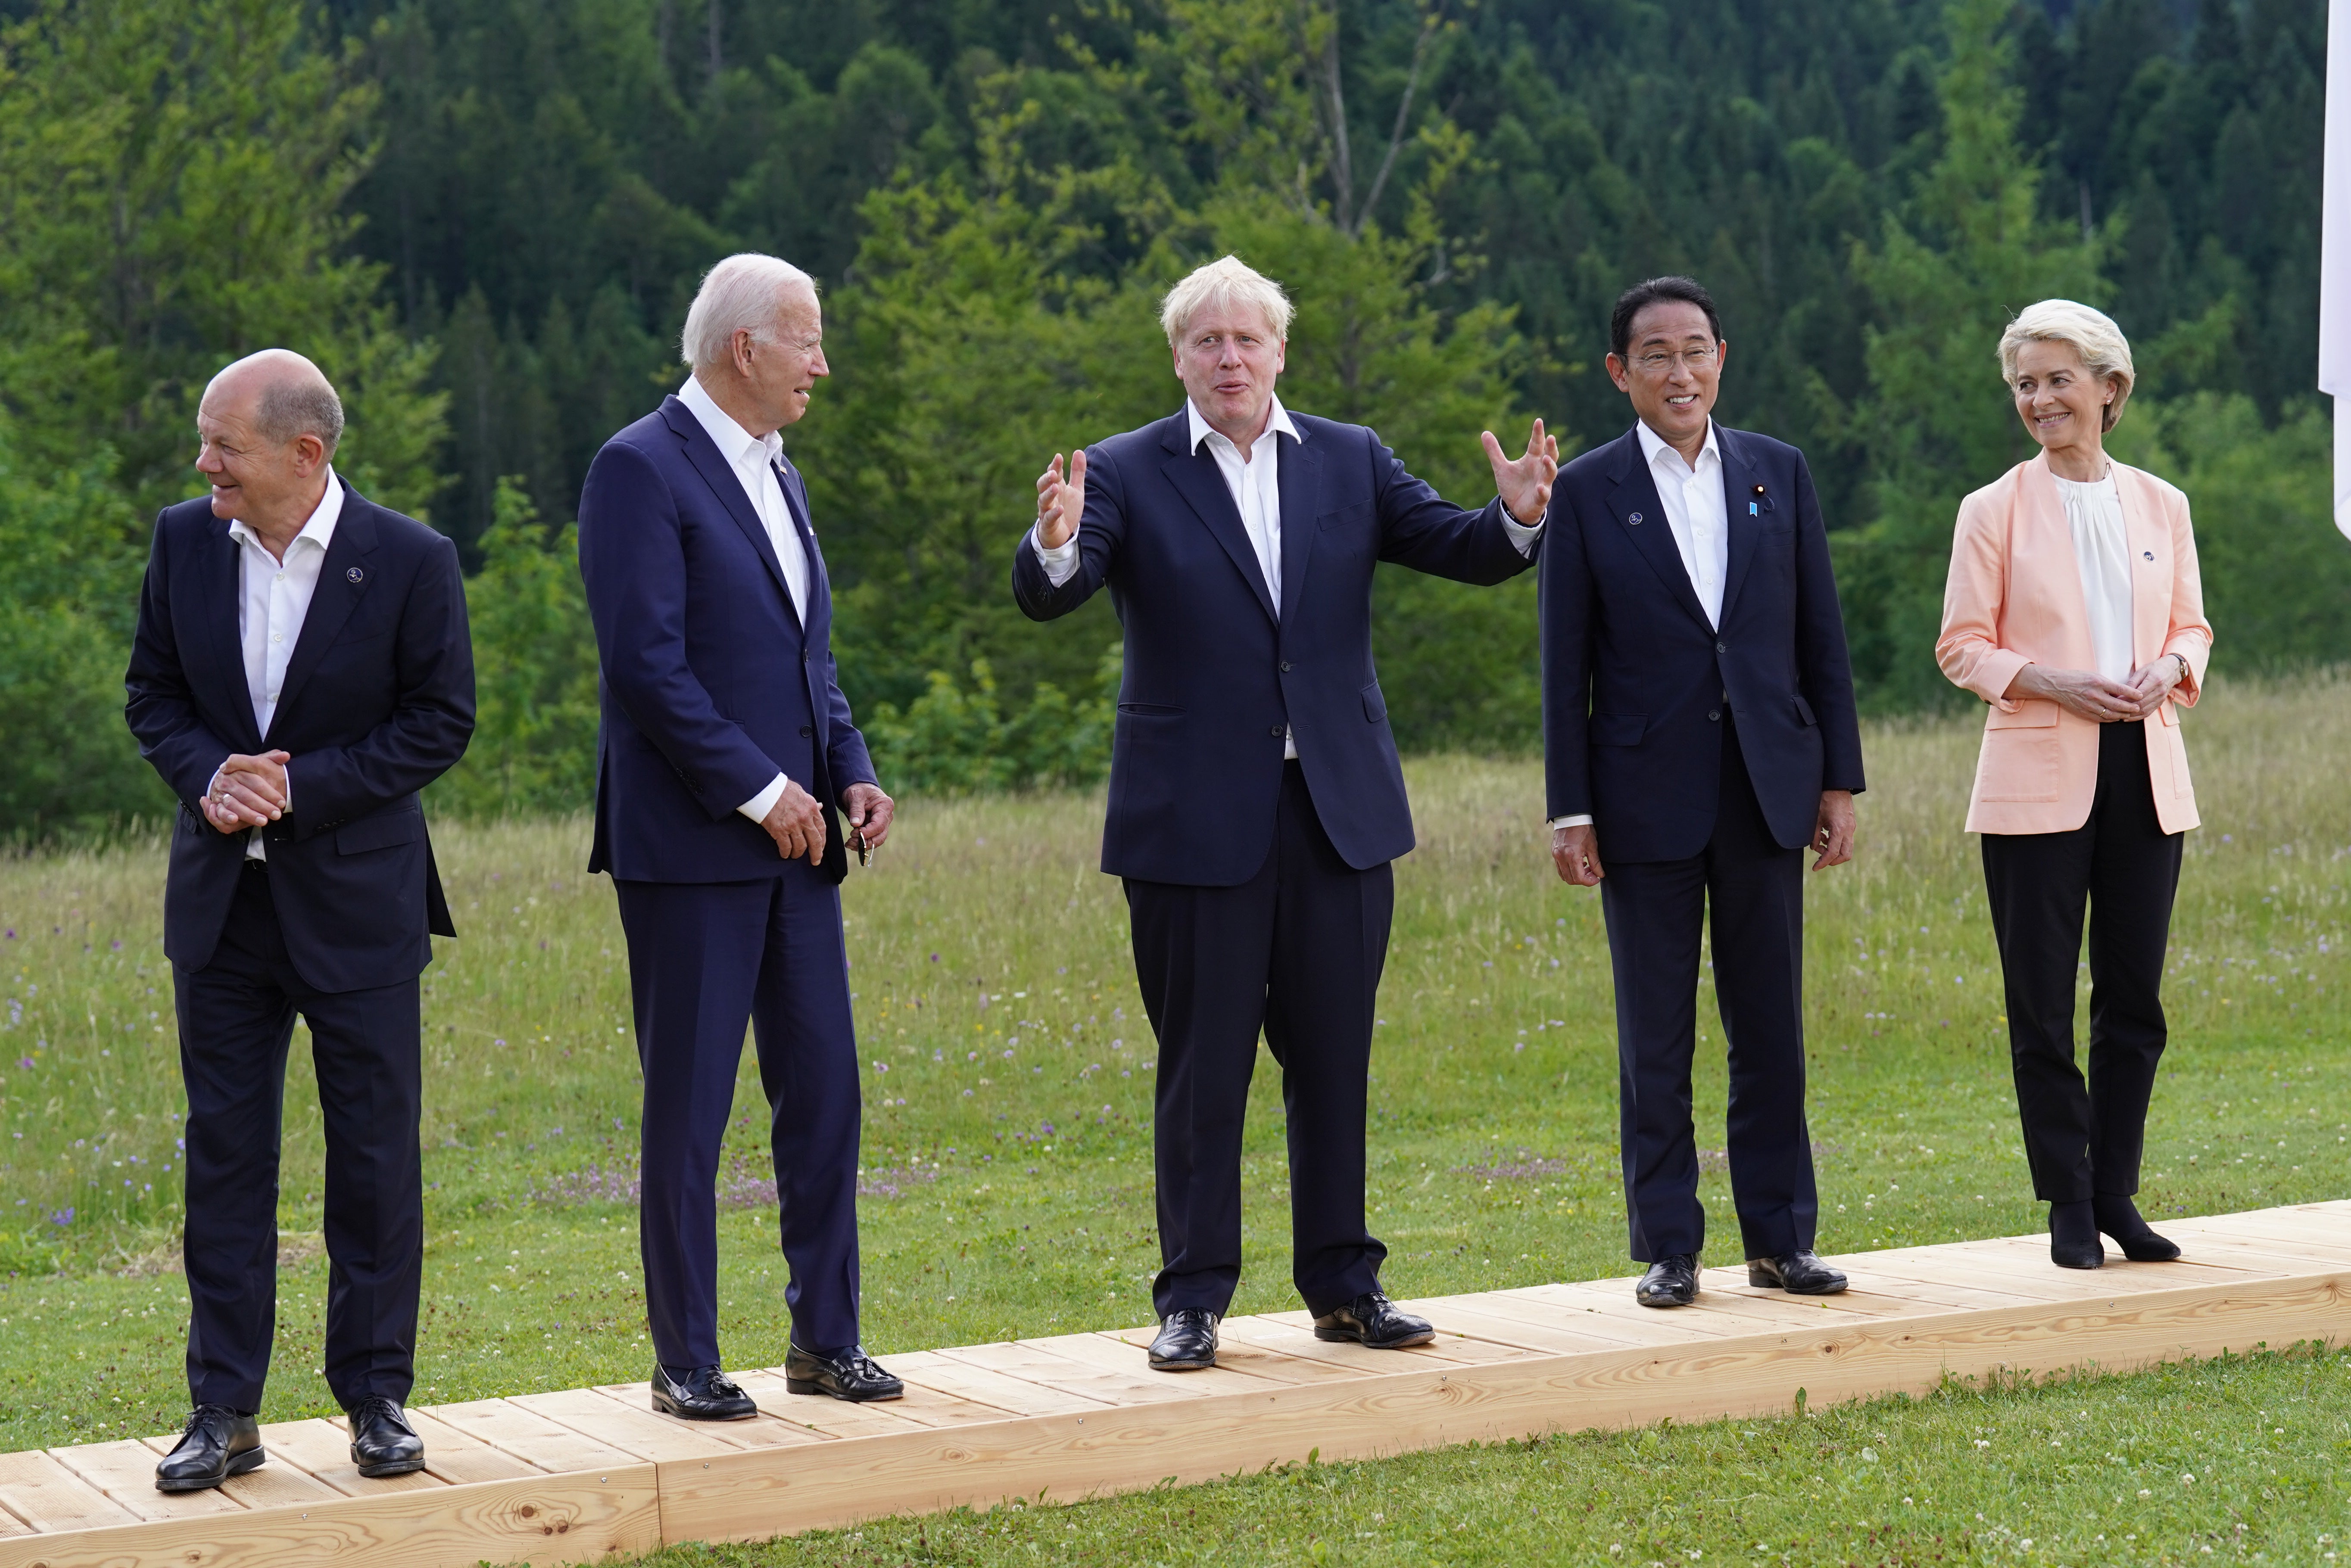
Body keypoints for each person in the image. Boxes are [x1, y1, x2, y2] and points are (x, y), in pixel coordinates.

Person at [1015, 255, 1558, 1372]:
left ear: (1279, 352)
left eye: (1247, 339)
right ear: (1178, 357)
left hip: (1336, 815)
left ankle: (1345, 1287)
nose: (1228, 358)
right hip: (1193, 826)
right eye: (1206, 341)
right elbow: (1054, 590)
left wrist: (1511, 521)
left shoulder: (1351, 461)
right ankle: (1194, 1300)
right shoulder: (1122, 470)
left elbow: (1454, 547)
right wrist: (1058, 541)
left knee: (1334, 1060)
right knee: (1202, 1069)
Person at [125, 350, 476, 1489]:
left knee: (373, 1160)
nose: (203, 461)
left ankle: (376, 1399)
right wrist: (208, 774)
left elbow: (441, 721)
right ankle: (221, 1411)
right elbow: (153, 697)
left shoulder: (412, 560)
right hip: (223, 912)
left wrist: (301, 786)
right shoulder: (182, 540)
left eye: (223, 443)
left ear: (303, 453)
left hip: (361, 906)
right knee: (226, 1161)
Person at [577, 253, 901, 1413]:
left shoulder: (781, 472)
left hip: (803, 851)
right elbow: (647, 671)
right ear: (743, 349)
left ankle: (826, 1341)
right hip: (693, 851)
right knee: (693, 1109)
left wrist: (848, 771)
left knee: (824, 1092)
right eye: (808, 341)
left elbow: (806, 659)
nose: (823, 362)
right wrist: (767, 793)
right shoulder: (638, 469)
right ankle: (689, 1363)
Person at [1539, 276, 1865, 1309]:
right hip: (1641, 796)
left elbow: (1821, 636)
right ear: (1619, 372)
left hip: (1769, 786)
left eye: (1695, 351)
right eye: (1655, 355)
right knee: (1657, 1031)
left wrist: (1838, 778)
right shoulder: (1588, 491)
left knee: (1771, 1022)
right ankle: (1669, 1243)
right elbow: (1563, 663)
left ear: (1721, 355)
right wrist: (1570, 804)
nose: (1679, 372)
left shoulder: (1779, 472)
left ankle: (1781, 1236)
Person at [1937, 299, 2211, 1270]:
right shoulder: (1991, 509)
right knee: (2041, 1002)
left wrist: (2169, 670)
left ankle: (2116, 1194)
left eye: (2057, 379)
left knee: (2133, 999)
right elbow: (1961, 647)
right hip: (2032, 783)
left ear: (2109, 386)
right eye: (2024, 383)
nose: (2039, 398)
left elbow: (2192, 627)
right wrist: (2047, 679)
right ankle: (2064, 1201)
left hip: (2147, 770)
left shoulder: (2161, 503)